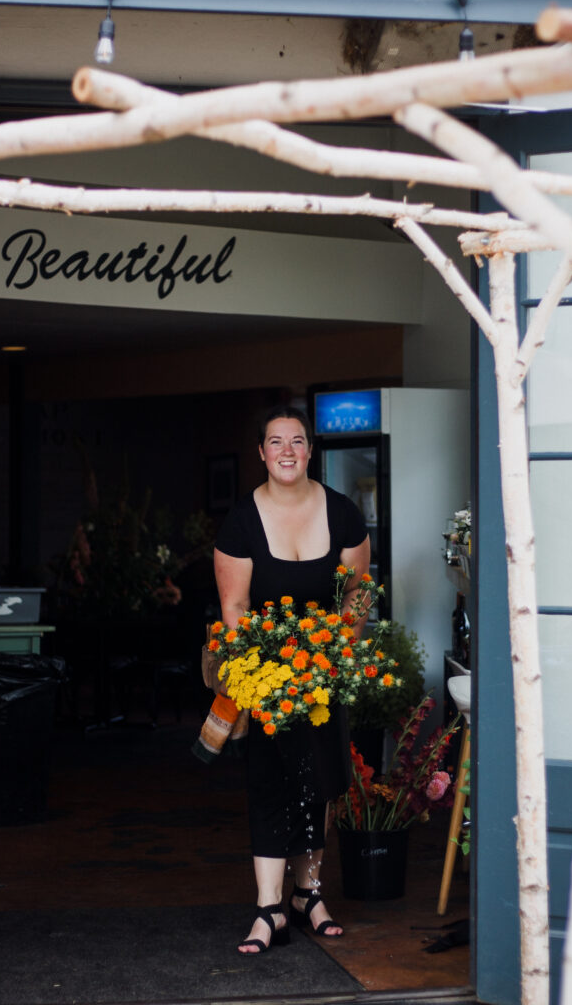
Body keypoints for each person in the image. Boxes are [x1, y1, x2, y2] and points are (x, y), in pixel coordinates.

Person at [213, 405, 370, 955]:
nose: (286, 450)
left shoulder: (344, 513)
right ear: (261, 452)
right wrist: (263, 676)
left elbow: (357, 596)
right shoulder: (241, 520)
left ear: (310, 451)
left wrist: (332, 654)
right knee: (270, 783)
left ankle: (309, 895)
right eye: (275, 441)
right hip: (267, 680)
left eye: (297, 441)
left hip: (322, 676)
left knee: (318, 782)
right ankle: (268, 908)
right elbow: (235, 607)